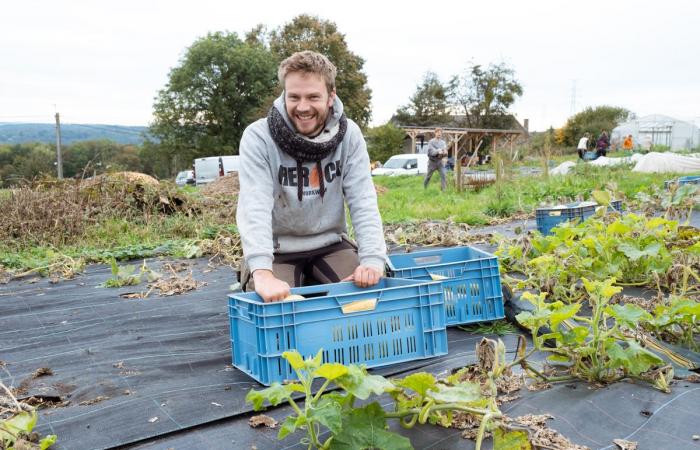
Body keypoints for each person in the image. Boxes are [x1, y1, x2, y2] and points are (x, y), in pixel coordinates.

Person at [236, 51, 387, 302]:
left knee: (371, 299)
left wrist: (372, 260)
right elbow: (254, 206)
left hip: (330, 243)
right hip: (278, 249)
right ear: (284, 95)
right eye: (294, 97)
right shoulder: (259, 137)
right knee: (276, 309)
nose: (303, 107)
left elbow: (363, 200)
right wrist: (262, 272)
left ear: (331, 97)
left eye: (313, 97)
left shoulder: (349, 135)